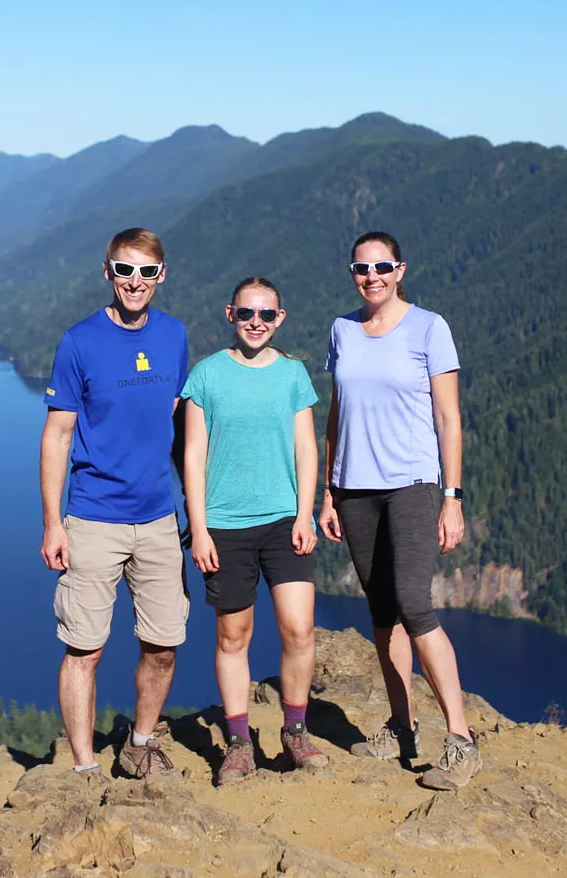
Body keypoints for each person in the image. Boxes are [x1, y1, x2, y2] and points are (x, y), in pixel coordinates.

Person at [318, 231, 478, 791]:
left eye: (382, 266)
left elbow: (449, 419)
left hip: (411, 485)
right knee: (382, 612)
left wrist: (452, 498)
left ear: (401, 269)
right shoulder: (342, 329)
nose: (372, 276)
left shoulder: (429, 328)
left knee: (414, 604)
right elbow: (336, 413)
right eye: (362, 268)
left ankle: (461, 740)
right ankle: (402, 727)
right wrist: (328, 491)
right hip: (354, 489)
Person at [40, 227, 189, 778]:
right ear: (107, 272)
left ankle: (138, 745)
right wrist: (53, 524)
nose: (135, 282)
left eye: (146, 272)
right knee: (85, 650)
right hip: (93, 518)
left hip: (157, 519)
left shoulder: (174, 336)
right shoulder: (78, 342)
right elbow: (57, 436)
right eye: (124, 270)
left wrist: (193, 514)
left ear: (161, 276)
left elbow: (179, 430)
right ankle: (84, 769)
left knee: (165, 645)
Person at [182, 276, 326, 784]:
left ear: (280, 318)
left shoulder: (292, 374)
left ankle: (294, 731)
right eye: (247, 314)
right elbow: (193, 456)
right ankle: (239, 741)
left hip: (284, 520)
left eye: (267, 315)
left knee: (299, 629)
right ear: (230, 314)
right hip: (224, 524)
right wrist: (198, 529)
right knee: (232, 636)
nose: (256, 323)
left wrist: (306, 513)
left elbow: (307, 448)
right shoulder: (206, 375)